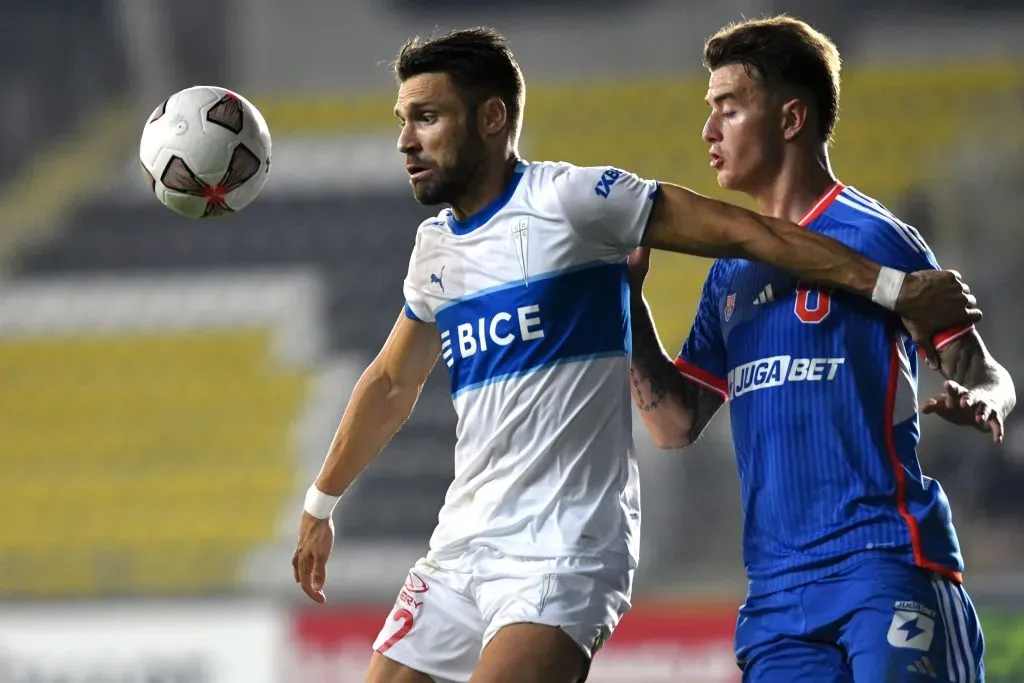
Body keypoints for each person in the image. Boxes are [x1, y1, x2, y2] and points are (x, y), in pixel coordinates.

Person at [291, 27, 980, 683]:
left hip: (564, 551)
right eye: (403, 119)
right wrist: (322, 502)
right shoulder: (436, 250)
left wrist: (892, 288)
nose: (406, 140)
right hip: (460, 546)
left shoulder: (574, 201)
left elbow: (742, 232)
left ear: (493, 118)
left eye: (427, 117)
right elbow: (389, 381)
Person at [627, 16, 1015, 683]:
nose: (708, 132)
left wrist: (981, 396)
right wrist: (629, 304)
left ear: (790, 118)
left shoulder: (878, 240)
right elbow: (674, 423)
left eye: (728, 109)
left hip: (886, 563)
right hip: (778, 597)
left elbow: (983, 367)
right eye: (707, 111)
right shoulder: (728, 272)